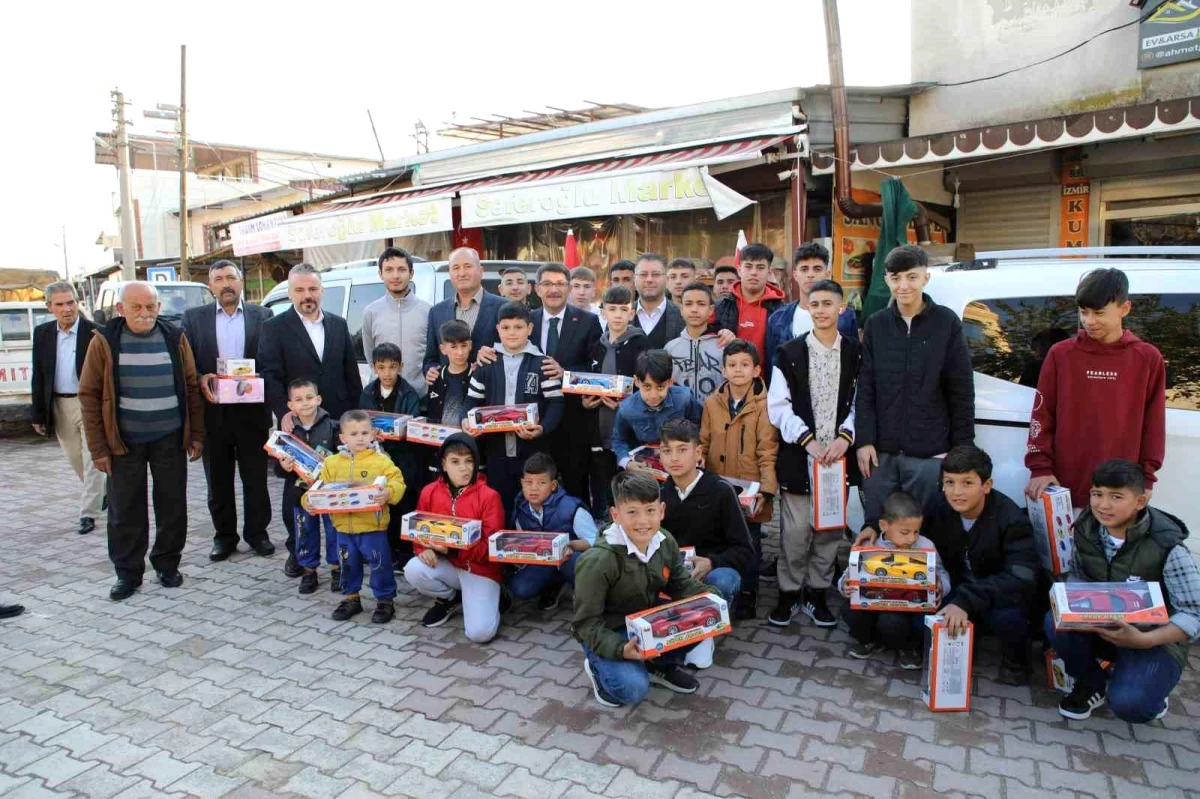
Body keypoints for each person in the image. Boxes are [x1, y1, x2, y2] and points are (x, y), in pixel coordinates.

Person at [78, 282, 204, 601]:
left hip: (170, 437)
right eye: (136, 307)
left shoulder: (176, 337)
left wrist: (197, 435)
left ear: (158, 307)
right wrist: (98, 448)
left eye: (151, 307)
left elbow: (191, 387)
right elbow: (89, 396)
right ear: (120, 309)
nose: (145, 314)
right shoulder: (104, 341)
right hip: (124, 442)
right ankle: (128, 574)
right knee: (125, 510)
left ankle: (166, 564)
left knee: (172, 505)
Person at [1045, 459, 1197, 723]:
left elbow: (1194, 613)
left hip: (1154, 638)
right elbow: (1078, 574)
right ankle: (1093, 683)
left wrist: (1144, 640)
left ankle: (1149, 692)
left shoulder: (1167, 545)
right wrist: (1073, 604)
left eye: (1116, 496)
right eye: (1097, 494)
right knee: (1054, 621)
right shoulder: (1086, 528)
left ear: (1140, 502)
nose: (1103, 505)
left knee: (1131, 705)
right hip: (1104, 626)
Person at [856, 245, 974, 537]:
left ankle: (929, 582)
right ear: (887, 281)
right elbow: (866, 386)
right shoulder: (876, 325)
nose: (904, 285)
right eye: (896, 278)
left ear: (926, 278)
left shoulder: (946, 323)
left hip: (929, 452)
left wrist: (961, 450)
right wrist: (864, 440)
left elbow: (960, 390)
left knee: (926, 529)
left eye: (912, 277)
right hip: (880, 453)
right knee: (879, 525)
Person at [1025, 268, 1165, 513]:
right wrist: (1040, 468)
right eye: (1083, 312)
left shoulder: (1147, 358)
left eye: (1099, 313)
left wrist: (1147, 477)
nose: (1089, 321)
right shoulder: (1061, 354)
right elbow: (1042, 414)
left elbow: (1154, 425)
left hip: (1121, 492)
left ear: (1125, 308)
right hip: (1062, 489)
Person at [573, 471, 717, 708]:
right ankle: (598, 669)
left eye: (650, 511)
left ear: (661, 510)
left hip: (645, 624)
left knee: (701, 619)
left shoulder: (664, 540)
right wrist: (620, 649)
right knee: (632, 690)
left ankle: (657, 665)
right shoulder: (599, 560)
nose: (642, 521)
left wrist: (712, 599)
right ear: (615, 515)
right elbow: (584, 624)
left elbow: (680, 584)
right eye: (632, 512)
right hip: (611, 631)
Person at [767, 279, 861, 628]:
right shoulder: (789, 352)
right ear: (807, 307)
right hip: (800, 454)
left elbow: (861, 402)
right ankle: (789, 592)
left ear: (841, 309)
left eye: (828, 304)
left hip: (838, 457)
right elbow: (778, 408)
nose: (821, 310)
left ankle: (817, 591)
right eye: (815, 304)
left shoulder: (855, 352)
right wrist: (808, 441)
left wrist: (843, 439)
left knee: (829, 530)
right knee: (793, 532)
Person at [182, 261, 275, 561]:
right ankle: (224, 537)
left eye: (231, 278)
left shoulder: (264, 315)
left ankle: (257, 534)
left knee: (256, 479)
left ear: (241, 282)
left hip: (252, 412)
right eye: (218, 279)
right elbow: (186, 364)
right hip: (214, 413)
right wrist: (200, 378)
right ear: (211, 286)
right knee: (218, 481)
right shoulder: (194, 319)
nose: (225, 284)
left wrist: (260, 378)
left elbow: (273, 359)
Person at [923, 445, 1037, 684]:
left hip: (996, 593)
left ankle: (1016, 663)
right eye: (949, 482)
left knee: (1009, 619)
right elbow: (914, 538)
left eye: (967, 483)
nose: (956, 492)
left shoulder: (1011, 519)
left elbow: (1022, 578)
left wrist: (966, 601)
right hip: (957, 586)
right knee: (919, 616)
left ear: (986, 485)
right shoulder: (938, 506)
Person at [659, 419, 755, 660]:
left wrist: (711, 562)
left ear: (698, 453)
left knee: (724, 580)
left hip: (712, 571)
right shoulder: (660, 494)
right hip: (675, 573)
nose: (674, 458)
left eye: (682, 449)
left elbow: (745, 551)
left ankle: (703, 633)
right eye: (666, 451)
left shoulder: (721, 491)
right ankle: (678, 632)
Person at [464, 301, 564, 522]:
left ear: (529, 329)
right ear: (498, 329)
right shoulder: (486, 363)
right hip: (495, 451)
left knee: (533, 506)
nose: (512, 333)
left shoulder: (542, 364)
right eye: (506, 327)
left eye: (518, 327)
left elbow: (556, 404)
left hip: (533, 452)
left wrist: (542, 428)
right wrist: (466, 420)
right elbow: (471, 400)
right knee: (499, 505)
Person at [699, 339, 779, 618]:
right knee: (722, 539)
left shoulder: (765, 405)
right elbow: (704, 443)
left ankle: (748, 591)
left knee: (750, 543)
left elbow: (767, 450)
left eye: (745, 365)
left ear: (757, 370)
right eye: (732, 365)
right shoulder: (711, 403)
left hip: (750, 490)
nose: (738, 370)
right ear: (723, 370)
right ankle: (722, 589)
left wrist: (767, 491)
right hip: (718, 487)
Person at [304, 410, 405, 623]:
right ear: (342, 437)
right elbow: (318, 488)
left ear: (373, 434)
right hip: (342, 529)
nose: (360, 438)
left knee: (379, 564)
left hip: (373, 528)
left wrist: (389, 493)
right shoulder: (331, 463)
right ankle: (352, 598)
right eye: (353, 433)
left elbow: (397, 481)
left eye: (364, 432)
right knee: (347, 564)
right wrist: (309, 502)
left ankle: (385, 600)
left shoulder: (381, 461)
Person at [404, 433, 507, 642]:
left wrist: (451, 549)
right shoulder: (429, 492)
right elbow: (418, 531)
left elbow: (492, 547)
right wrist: (423, 549)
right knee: (413, 569)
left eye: (469, 461)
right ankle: (450, 599)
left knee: (479, 634)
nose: (464, 468)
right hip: (448, 566)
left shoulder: (489, 497)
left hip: (479, 570)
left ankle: (498, 597)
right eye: (455, 461)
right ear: (443, 464)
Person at [838, 491, 950, 669]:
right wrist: (844, 586)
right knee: (848, 610)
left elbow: (942, 573)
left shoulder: (925, 546)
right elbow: (847, 575)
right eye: (905, 532)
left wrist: (940, 586)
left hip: (906, 610)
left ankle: (908, 648)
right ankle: (869, 641)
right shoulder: (869, 545)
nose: (912, 538)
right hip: (872, 603)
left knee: (890, 621)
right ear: (883, 525)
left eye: (916, 531)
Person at [31, 281, 103, 535]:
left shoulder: (96, 332)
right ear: (49, 307)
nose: (67, 309)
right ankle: (100, 494)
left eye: (70, 302)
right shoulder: (42, 334)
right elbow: (38, 376)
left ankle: (88, 513)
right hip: (59, 405)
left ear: (77, 302)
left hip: (89, 405)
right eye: (59, 304)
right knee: (76, 459)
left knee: (92, 459)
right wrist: (38, 413)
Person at [259, 263, 363, 430]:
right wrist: (284, 413)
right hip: (297, 421)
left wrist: (358, 415)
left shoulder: (339, 324)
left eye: (313, 289)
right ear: (290, 293)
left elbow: (351, 374)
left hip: (339, 418)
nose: (307, 295)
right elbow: (270, 376)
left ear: (322, 291)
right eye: (299, 290)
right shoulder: (273, 328)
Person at [532, 262, 603, 502]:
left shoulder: (588, 321)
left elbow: (595, 368)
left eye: (560, 284)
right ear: (537, 289)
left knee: (575, 486)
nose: (554, 289)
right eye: (548, 284)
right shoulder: (526, 320)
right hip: (535, 418)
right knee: (536, 486)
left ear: (569, 288)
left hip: (573, 419)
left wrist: (565, 373)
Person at [584, 285, 650, 515]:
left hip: (628, 427)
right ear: (603, 312)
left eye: (624, 309)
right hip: (600, 424)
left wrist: (628, 404)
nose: (618, 315)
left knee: (629, 481)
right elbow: (588, 382)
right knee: (604, 477)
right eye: (612, 309)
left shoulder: (640, 344)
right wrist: (586, 401)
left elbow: (646, 385)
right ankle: (610, 519)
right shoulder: (596, 346)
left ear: (632, 313)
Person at [359, 342, 422, 569]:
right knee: (378, 502)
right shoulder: (367, 392)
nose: (387, 373)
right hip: (377, 457)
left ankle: (403, 552)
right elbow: (361, 421)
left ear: (401, 367)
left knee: (401, 503)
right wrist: (370, 434)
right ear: (374, 368)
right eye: (382, 367)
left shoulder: (409, 393)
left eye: (392, 367)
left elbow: (414, 425)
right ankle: (381, 551)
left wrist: (397, 432)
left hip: (403, 458)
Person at [509, 453, 597, 611]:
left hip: (571, 558)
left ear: (553, 485)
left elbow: (596, 540)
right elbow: (522, 540)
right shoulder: (520, 507)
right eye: (528, 482)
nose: (533, 488)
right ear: (522, 483)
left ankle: (586, 593)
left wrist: (570, 545)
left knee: (571, 561)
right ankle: (556, 585)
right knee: (520, 588)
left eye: (541, 482)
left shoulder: (571, 507)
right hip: (543, 561)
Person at [277, 379, 341, 590]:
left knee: (334, 532)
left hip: (329, 493)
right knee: (305, 532)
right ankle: (309, 571)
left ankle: (337, 569)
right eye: (298, 400)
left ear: (318, 399)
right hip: (301, 494)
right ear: (290, 406)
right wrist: (284, 467)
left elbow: (343, 459)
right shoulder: (287, 434)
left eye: (309, 398)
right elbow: (279, 468)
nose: (305, 403)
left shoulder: (333, 427)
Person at [764, 242, 859, 377]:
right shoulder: (778, 319)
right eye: (804, 269)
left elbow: (854, 362)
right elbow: (773, 366)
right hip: (790, 392)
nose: (810, 275)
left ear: (828, 274)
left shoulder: (845, 316)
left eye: (817, 269)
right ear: (795, 275)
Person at [612, 350, 703, 472]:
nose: (653, 395)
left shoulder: (684, 398)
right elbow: (619, 440)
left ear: (670, 382)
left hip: (682, 465)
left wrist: (698, 450)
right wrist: (626, 462)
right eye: (647, 387)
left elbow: (699, 423)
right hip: (647, 470)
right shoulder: (627, 409)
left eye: (660, 387)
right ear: (637, 381)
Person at [423, 247, 506, 379]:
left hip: (491, 392)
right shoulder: (436, 312)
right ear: (450, 274)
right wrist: (430, 369)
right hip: (451, 394)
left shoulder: (503, 307)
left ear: (481, 271)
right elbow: (431, 358)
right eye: (455, 268)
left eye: (467, 266)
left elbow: (516, 352)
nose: (461, 273)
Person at [361, 246, 432, 397]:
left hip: (420, 397)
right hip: (382, 399)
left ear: (411, 273)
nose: (395, 276)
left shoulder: (428, 311)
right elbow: (369, 354)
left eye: (401, 269)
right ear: (380, 274)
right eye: (389, 270)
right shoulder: (371, 312)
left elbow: (432, 355)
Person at [714, 243, 787, 363]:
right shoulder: (721, 306)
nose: (754, 272)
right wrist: (718, 332)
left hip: (768, 380)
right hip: (729, 378)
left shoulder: (781, 311)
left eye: (760, 267)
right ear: (739, 270)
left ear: (769, 271)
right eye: (748, 266)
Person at [665, 281, 724, 401]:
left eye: (701, 304)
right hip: (680, 415)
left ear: (711, 309)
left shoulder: (723, 346)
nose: (694, 309)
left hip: (715, 415)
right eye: (688, 304)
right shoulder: (670, 348)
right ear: (681, 309)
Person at [631, 254, 686, 349]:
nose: (649, 279)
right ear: (635, 279)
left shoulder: (682, 315)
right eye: (643, 274)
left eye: (655, 274)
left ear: (667, 279)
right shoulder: (622, 313)